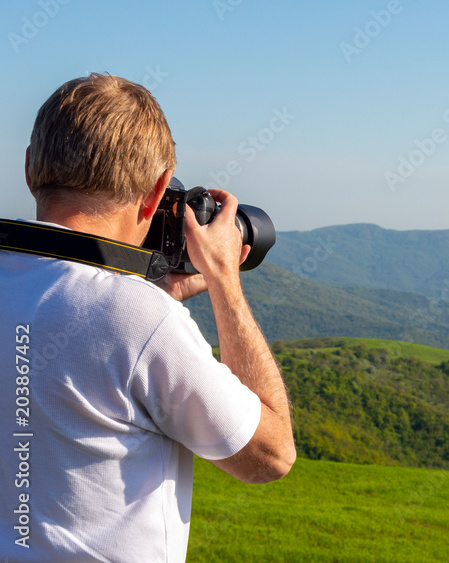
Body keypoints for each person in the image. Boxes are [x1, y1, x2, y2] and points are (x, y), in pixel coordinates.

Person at [0, 73, 296, 561]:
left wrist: (154, 300)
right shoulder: (138, 318)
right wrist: (223, 280)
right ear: (158, 191)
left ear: (30, 168)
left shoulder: (135, 314)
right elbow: (269, 456)